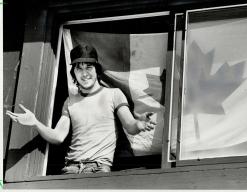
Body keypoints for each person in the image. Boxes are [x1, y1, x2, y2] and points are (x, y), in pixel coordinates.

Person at [6, 44, 156, 174]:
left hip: (99, 169)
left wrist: (139, 124)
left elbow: (130, 126)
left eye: (89, 67)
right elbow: (58, 136)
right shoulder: (70, 101)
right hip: (70, 169)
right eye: (79, 68)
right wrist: (35, 123)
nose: (84, 73)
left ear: (97, 70)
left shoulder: (113, 94)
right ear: (74, 73)